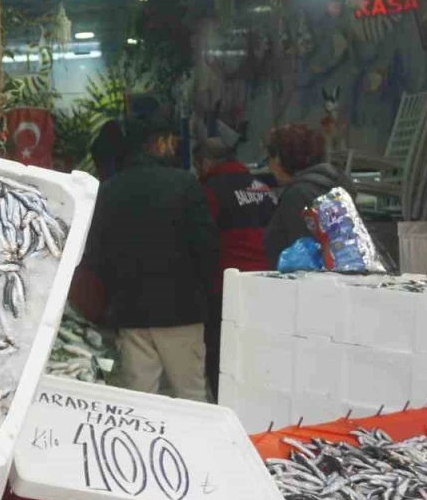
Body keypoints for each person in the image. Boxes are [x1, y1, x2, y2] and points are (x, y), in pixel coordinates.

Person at [75, 119, 220, 402]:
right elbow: (207, 248)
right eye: (171, 141)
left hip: (130, 313)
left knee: (140, 401)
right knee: (191, 395)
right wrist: (203, 297)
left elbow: (95, 254)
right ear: (160, 143)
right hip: (181, 312)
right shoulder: (185, 184)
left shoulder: (110, 189)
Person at [194, 138, 277, 399]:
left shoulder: (208, 191)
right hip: (268, 282)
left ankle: (226, 403)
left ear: (205, 162)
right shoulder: (262, 188)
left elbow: (202, 241)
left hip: (227, 287)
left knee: (223, 354)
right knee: (260, 351)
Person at [262, 123, 355, 270]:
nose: (268, 167)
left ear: (278, 159)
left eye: (268, 159)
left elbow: (304, 263)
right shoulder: (333, 188)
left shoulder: (297, 196)